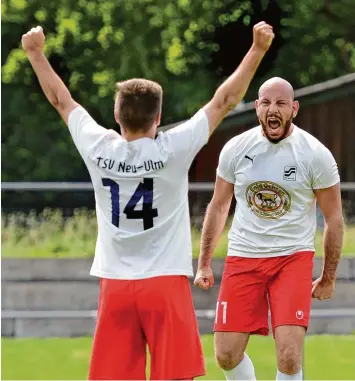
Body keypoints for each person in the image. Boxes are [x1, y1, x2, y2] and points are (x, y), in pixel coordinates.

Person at [21, 21, 274, 380]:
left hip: (116, 285)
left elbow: (61, 100)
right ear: (158, 117)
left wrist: (35, 52)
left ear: (116, 115)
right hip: (165, 282)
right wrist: (257, 50)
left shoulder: (97, 146)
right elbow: (224, 101)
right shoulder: (173, 149)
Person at [194, 76, 344, 380]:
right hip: (243, 256)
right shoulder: (236, 148)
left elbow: (334, 219)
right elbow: (219, 205)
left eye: (281, 103)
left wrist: (328, 277)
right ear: (256, 108)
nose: (272, 108)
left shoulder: (315, 155)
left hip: (292, 257)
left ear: (294, 108)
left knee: (289, 356)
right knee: (226, 355)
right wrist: (204, 263)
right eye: (266, 102)